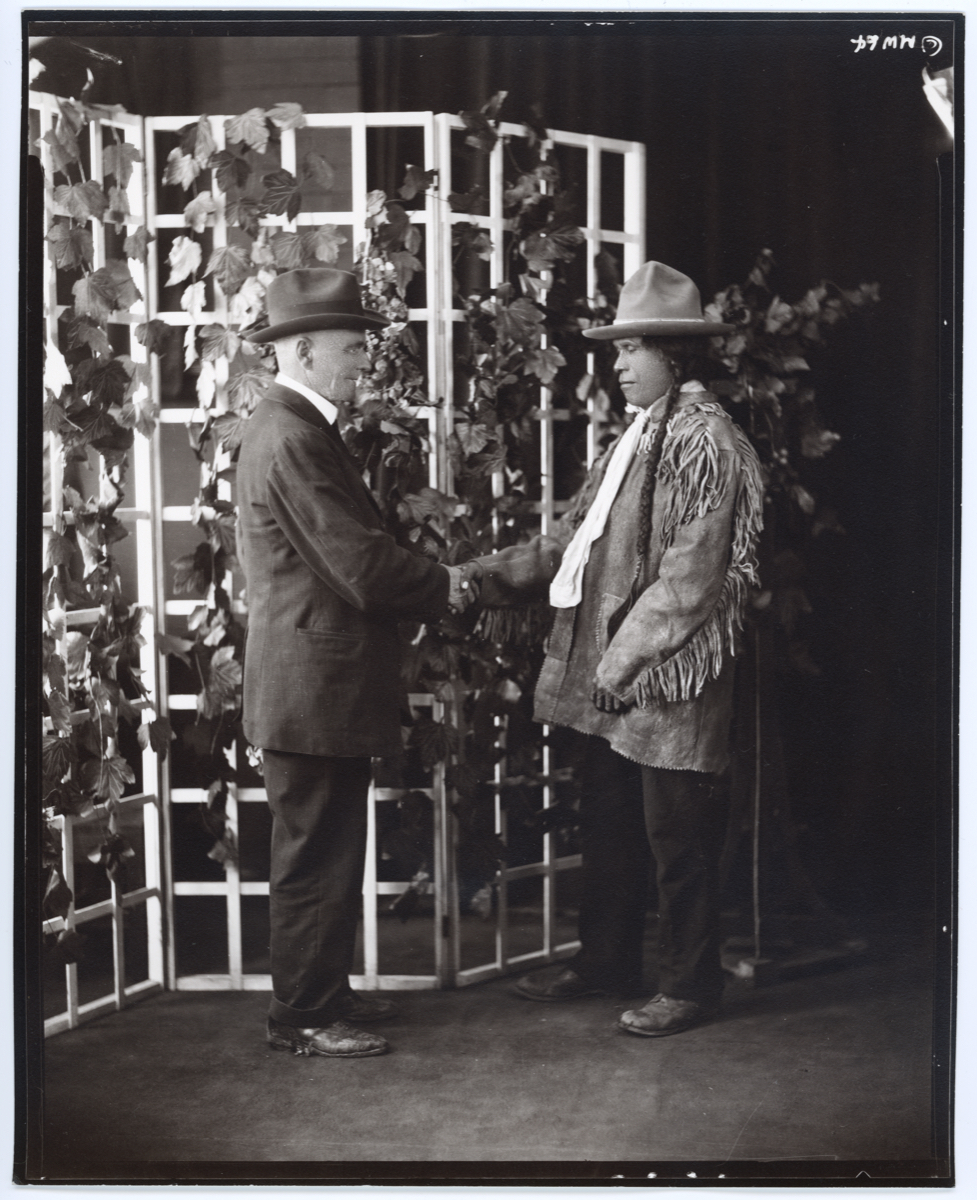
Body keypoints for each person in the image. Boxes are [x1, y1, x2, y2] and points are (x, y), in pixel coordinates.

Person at [501, 261, 764, 1037]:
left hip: (667, 678)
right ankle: (605, 961)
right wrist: (481, 580)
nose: (616, 365)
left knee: (677, 834)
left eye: (631, 350)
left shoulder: (704, 440)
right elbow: (574, 539)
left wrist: (621, 665)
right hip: (617, 677)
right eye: (616, 351)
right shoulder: (638, 435)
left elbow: (691, 579)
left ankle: (689, 984)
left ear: (674, 357)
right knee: (612, 821)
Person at [237, 268, 479, 1058]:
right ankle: (303, 1016)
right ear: (303, 351)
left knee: (328, 850)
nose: (364, 362)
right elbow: (364, 569)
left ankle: (321, 996)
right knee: (313, 857)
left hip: (316, 688)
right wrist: (455, 584)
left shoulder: (295, 430)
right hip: (311, 692)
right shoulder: (291, 437)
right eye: (351, 348)